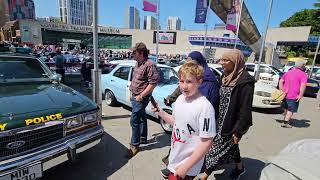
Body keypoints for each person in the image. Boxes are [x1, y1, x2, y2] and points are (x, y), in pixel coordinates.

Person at [152, 60, 216, 180]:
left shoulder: (205, 107)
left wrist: (186, 167)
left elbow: (207, 142)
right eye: (181, 81)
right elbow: (176, 122)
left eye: (189, 82)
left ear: (199, 82)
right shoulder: (181, 99)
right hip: (174, 159)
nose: (184, 86)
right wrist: (161, 112)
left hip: (187, 166)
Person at [199, 49, 254, 180]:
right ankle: (240, 168)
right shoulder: (225, 76)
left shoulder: (246, 81)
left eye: (225, 60)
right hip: (219, 121)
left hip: (231, 125)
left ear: (235, 62)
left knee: (214, 150)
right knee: (232, 147)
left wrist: (239, 131)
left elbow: (245, 109)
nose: (221, 62)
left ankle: (204, 176)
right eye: (221, 59)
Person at [126, 42, 159, 158]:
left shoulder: (150, 65)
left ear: (141, 53)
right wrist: (131, 92)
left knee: (134, 119)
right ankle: (143, 138)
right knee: (141, 116)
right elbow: (135, 79)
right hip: (135, 95)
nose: (132, 54)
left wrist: (141, 95)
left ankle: (135, 145)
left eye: (134, 52)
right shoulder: (137, 63)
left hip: (141, 97)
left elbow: (153, 83)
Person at [279, 60, 308, 128]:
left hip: (285, 94)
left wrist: (281, 90)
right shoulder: (303, 74)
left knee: (286, 108)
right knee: (291, 110)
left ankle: (286, 120)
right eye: (304, 65)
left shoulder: (288, 72)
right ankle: (285, 123)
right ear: (301, 66)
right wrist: (300, 95)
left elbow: (281, 81)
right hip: (294, 95)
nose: (304, 66)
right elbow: (303, 85)